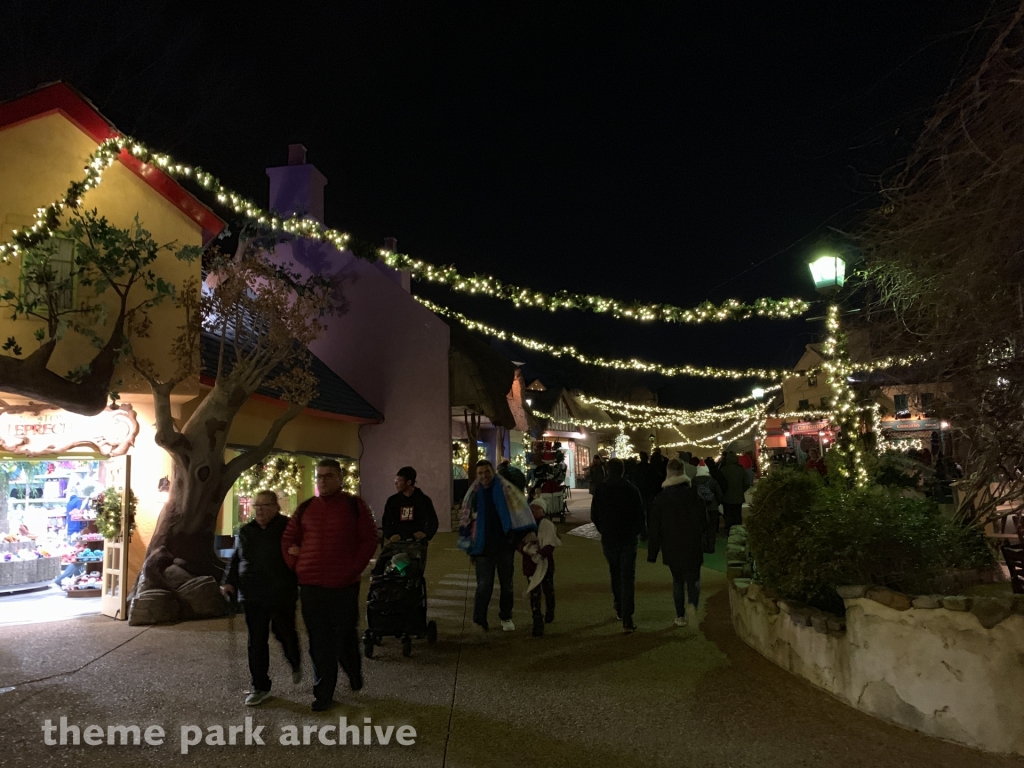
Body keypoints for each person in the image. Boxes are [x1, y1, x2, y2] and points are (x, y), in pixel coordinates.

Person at [282, 459, 378, 712]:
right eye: (319, 476)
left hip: (343, 585)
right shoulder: (306, 508)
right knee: (319, 641)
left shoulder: (354, 506)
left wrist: (353, 568)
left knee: (345, 636)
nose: (322, 481)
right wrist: (297, 565)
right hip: (312, 585)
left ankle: (353, 671)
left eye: (328, 476)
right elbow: (288, 539)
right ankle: (323, 692)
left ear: (339, 478)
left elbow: (369, 539)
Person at [222, 490, 301, 706]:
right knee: (256, 641)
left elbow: (301, 551)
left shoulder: (288, 528)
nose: (260, 510)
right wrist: (229, 582)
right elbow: (236, 560)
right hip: (253, 594)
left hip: (281, 592)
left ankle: (294, 660)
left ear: (276, 507)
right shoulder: (246, 531)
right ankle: (260, 686)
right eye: (256, 506)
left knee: (284, 632)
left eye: (265, 505)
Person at [459, 459, 537, 632]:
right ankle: (480, 620)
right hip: (482, 547)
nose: (484, 476)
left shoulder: (505, 489)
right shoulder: (474, 494)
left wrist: (517, 537)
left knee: (507, 585)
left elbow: (519, 511)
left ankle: (506, 617)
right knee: (484, 586)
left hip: (504, 545)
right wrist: (470, 544)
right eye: (480, 473)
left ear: (492, 471)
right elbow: (467, 518)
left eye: (487, 471)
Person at [647, 460, 707, 627]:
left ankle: (680, 616)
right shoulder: (694, 496)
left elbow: (655, 528)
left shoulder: (661, 499)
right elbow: (704, 522)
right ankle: (692, 605)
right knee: (693, 579)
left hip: (671, 545)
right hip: (693, 544)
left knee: (677, 580)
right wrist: (707, 543)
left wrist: (653, 553)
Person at [590, 458, 646, 633]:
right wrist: (635, 531)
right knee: (627, 576)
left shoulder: (601, 489)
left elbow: (594, 514)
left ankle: (619, 607)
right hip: (627, 538)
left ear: (608, 471)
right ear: (622, 471)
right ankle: (627, 616)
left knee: (615, 572)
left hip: (610, 537)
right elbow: (640, 514)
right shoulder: (631, 489)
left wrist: (603, 529)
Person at [518, 499, 561, 637]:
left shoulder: (547, 525)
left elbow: (550, 544)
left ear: (543, 510)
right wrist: (526, 549)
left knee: (548, 589)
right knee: (534, 593)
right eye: (532, 509)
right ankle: (537, 622)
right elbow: (518, 542)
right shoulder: (525, 526)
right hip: (530, 564)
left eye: (537, 509)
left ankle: (550, 610)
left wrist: (540, 554)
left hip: (545, 563)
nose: (534, 511)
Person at [382, 466, 439, 544]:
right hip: (398, 542)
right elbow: (386, 521)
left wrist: (425, 533)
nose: (396, 483)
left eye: (399, 481)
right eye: (395, 480)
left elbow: (433, 521)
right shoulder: (392, 501)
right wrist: (391, 535)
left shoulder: (423, 500)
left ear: (408, 482)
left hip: (418, 543)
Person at [692, 460, 724, 540]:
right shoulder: (712, 481)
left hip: (698, 508)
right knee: (712, 527)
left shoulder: (693, 482)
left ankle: (702, 544)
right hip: (712, 507)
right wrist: (717, 503)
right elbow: (719, 494)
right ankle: (711, 544)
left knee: (700, 528)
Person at [720, 452, 751, 533]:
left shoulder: (723, 470)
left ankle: (728, 530)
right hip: (738, 497)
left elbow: (720, 484)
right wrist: (741, 490)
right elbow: (747, 484)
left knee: (728, 514)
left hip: (726, 497)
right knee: (737, 514)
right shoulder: (741, 470)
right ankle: (738, 531)